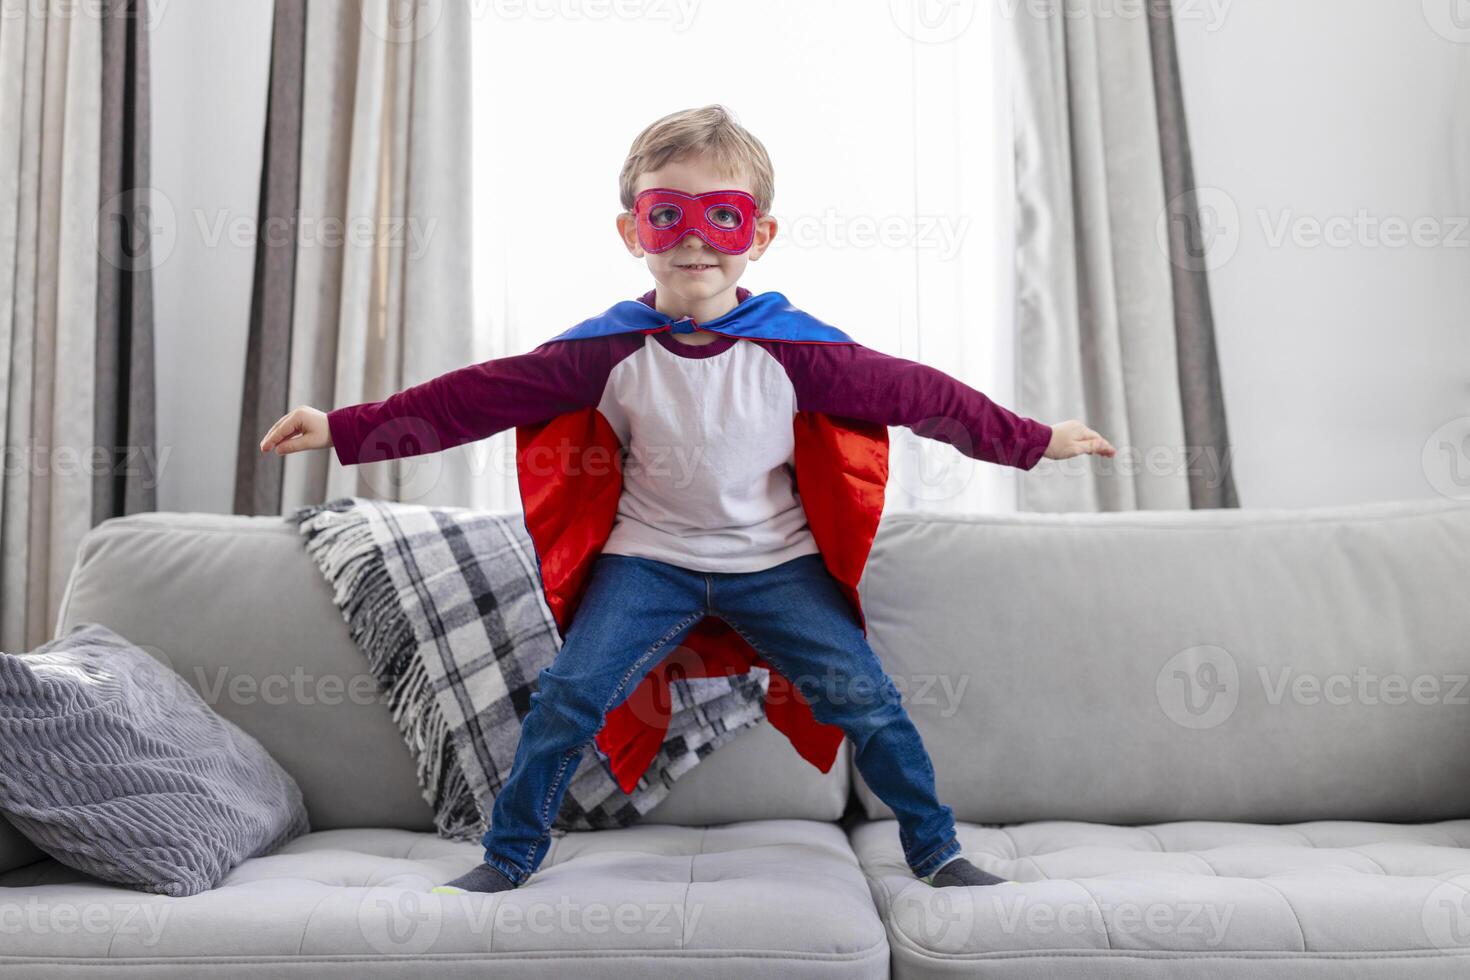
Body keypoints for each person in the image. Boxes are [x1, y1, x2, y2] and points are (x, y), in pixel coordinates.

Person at [259, 104, 1116, 894]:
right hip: (650, 561)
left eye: (724, 216)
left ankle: (936, 850)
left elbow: (924, 396)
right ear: (634, 229)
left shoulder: (799, 351)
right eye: (669, 214)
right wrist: (342, 429)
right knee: (566, 699)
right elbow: (473, 397)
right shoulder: (605, 351)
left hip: (776, 566)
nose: (695, 241)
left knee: (865, 700)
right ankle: (509, 857)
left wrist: (1033, 440)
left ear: (761, 233)